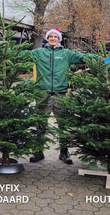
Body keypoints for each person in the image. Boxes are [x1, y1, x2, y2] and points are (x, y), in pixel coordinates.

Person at [29, 28, 91, 165]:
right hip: (42, 94)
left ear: (59, 39)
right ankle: (38, 152)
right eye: (50, 36)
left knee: (63, 125)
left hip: (60, 94)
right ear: (47, 38)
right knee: (41, 124)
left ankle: (64, 153)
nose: (52, 38)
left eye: (55, 36)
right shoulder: (39, 53)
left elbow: (83, 57)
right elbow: (22, 55)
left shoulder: (66, 54)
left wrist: (102, 59)